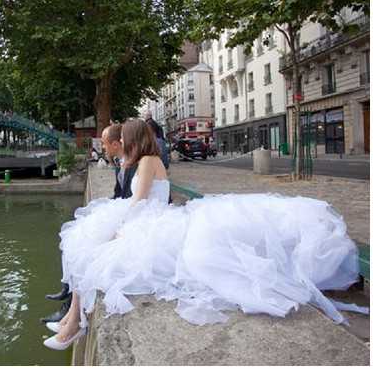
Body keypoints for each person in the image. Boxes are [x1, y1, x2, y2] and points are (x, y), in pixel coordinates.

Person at [42, 118, 362, 350]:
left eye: (123, 137)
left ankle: (73, 325)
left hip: (154, 220)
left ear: (132, 139)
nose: (121, 142)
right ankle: (73, 321)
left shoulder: (150, 161)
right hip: (154, 218)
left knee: (95, 252)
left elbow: (138, 202)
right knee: (85, 247)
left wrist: (117, 229)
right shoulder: (145, 160)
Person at [40, 124, 137, 324]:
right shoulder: (121, 161)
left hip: (132, 218)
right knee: (75, 232)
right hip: (122, 210)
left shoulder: (134, 165)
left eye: (104, 143)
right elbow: (118, 194)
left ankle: (69, 308)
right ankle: (67, 289)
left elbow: (134, 199)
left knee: (85, 245)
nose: (102, 147)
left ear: (116, 144)